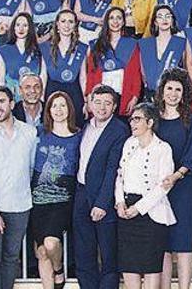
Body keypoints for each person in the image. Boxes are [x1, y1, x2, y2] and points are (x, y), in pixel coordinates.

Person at [115, 102, 176, 289]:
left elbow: (163, 186)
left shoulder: (163, 148)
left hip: (151, 212)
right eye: (132, 119)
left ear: (150, 122)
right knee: (129, 265)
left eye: (137, 119)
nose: (132, 123)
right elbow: (120, 175)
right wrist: (119, 202)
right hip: (127, 210)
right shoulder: (129, 144)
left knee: (151, 268)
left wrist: (139, 208)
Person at [74, 85, 129, 289]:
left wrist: (103, 203)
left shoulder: (119, 130)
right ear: (90, 103)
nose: (102, 107)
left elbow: (113, 170)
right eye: (97, 102)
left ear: (114, 107)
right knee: (83, 252)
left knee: (108, 257)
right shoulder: (85, 126)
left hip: (103, 199)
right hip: (81, 194)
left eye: (107, 103)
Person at [152, 68, 192, 289]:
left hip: (183, 186)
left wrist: (175, 176)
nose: (173, 93)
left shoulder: (191, 119)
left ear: (184, 93)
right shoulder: (152, 117)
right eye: (169, 88)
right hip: (157, 188)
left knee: (182, 242)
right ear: (162, 91)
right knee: (161, 243)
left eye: (178, 89)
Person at [29, 91, 81, 289]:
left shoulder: (78, 135)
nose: (58, 110)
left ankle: (58, 270)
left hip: (63, 198)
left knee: (51, 244)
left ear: (69, 109)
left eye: (62, 105)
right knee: (41, 251)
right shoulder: (39, 132)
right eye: (54, 106)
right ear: (48, 110)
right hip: (37, 197)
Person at [0, 85, 38, 289]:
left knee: (10, 257)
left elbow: (32, 168)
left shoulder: (29, 132)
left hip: (20, 206)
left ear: (11, 103)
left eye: (0, 101)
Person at [85, 7, 142, 118]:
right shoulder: (96, 45)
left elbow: (136, 74)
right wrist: (88, 98)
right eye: (111, 18)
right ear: (106, 21)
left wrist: (134, 97)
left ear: (124, 21)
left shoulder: (133, 44)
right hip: (100, 98)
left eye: (119, 18)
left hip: (123, 95)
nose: (115, 21)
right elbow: (91, 74)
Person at [40, 9, 89, 126]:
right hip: (52, 91)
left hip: (74, 92)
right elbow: (43, 75)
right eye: (63, 21)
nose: (66, 25)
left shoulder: (82, 48)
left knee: (75, 126)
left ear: (75, 25)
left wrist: (86, 101)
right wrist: (41, 100)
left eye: (70, 22)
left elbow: (83, 77)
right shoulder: (46, 47)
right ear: (57, 24)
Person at [0, 12, 43, 101]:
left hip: (33, 96)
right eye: (18, 25)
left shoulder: (39, 50)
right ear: (13, 27)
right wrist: (2, 99)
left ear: (30, 28)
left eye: (25, 25)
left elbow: (42, 76)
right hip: (12, 96)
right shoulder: (4, 50)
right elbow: (1, 78)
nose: (21, 28)